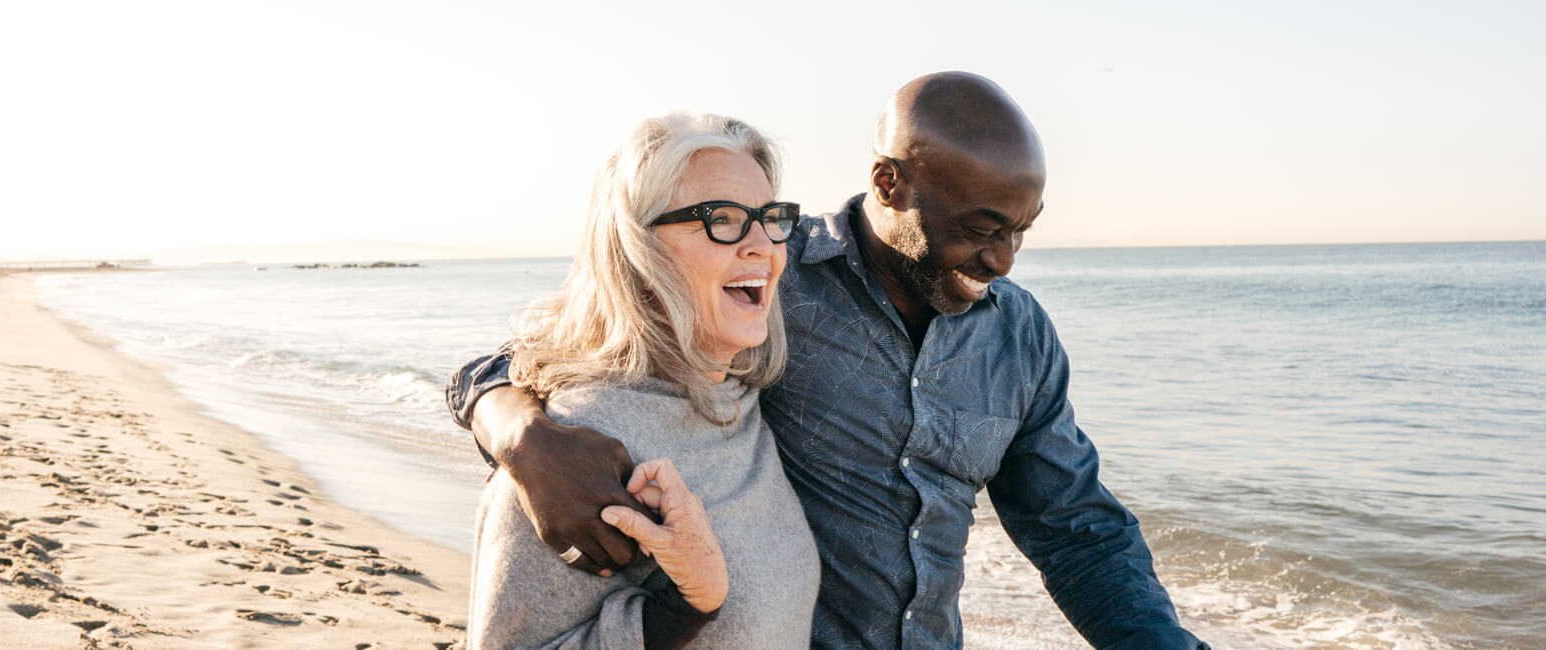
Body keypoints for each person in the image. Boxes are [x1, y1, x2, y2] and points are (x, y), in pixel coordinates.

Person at [448, 72, 1208, 649]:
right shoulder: (771, 279)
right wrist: (521, 433)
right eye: (981, 228)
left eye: (1021, 231)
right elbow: (578, 344)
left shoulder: (1020, 338)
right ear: (889, 183)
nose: (1003, 262)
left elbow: (1077, 531)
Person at [466, 112, 820, 649]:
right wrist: (676, 612)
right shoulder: (576, 448)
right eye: (721, 219)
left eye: (771, 218)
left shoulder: (738, 397)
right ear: (639, 252)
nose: (762, 247)